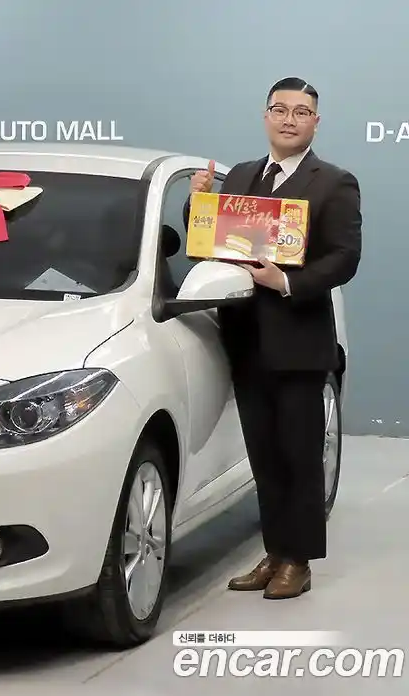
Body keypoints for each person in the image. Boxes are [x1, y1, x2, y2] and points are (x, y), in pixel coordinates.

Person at [182, 77, 362, 599]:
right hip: (244, 338)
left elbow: (344, 257)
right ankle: (275, 552)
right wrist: (198, 204)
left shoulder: (334, 182)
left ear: (315, 123)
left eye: (301, 112)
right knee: (263, 456)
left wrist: (286, 282)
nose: (289, 119)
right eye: (280, 109)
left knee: (299, 456)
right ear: (266, 116)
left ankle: (298, 562)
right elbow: (208, 240)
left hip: (299, 341)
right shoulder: (241, 175)